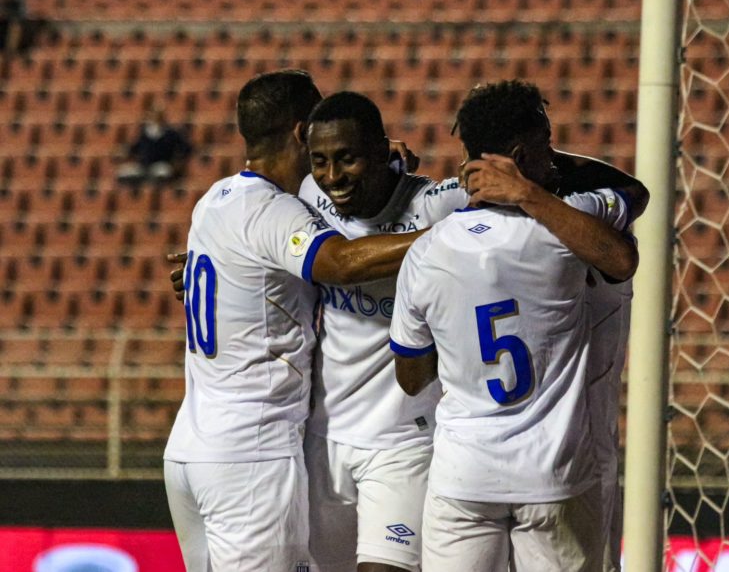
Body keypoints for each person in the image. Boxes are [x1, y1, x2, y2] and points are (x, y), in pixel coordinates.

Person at [163, 70, 426, 572]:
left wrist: (379, 159)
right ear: (304, 132)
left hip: (190, 449)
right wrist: (447, 235)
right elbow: (341, 263)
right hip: (250, 454)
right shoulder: (273, 211)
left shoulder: (214, 199)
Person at [389, 79, 641, 571]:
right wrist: (530, 192)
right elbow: (628, 219)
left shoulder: (425, 251)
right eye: (548, 144)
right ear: (524, 155)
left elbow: (411, 376)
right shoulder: (567, 228)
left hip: (464, 476)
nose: (555, 159)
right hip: (553, 475)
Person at [298, 92, 468, 572]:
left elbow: (530, 184)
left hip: (403, 441)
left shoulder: (435, 205)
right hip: (321, 437)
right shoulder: (308, 195)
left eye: (347, 158)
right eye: (320, 161)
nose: (333, 176)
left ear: (380, 149)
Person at [465, 151, 645, 572]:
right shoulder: (558, 231)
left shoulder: (582, 230)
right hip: (540, 463)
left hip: (556, 461)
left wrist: (526, 183)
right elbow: (632, 192)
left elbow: (634, 194)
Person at [117, 106, 192, 184]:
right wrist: (124, 151)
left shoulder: (170, 133)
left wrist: (178, 162)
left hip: (162, 165)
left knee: (162, 174)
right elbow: (135, 148)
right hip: (143, 166)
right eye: (153, 114)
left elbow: (186, 147)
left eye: (158, 115)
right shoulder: (144, 132)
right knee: (123, 172)